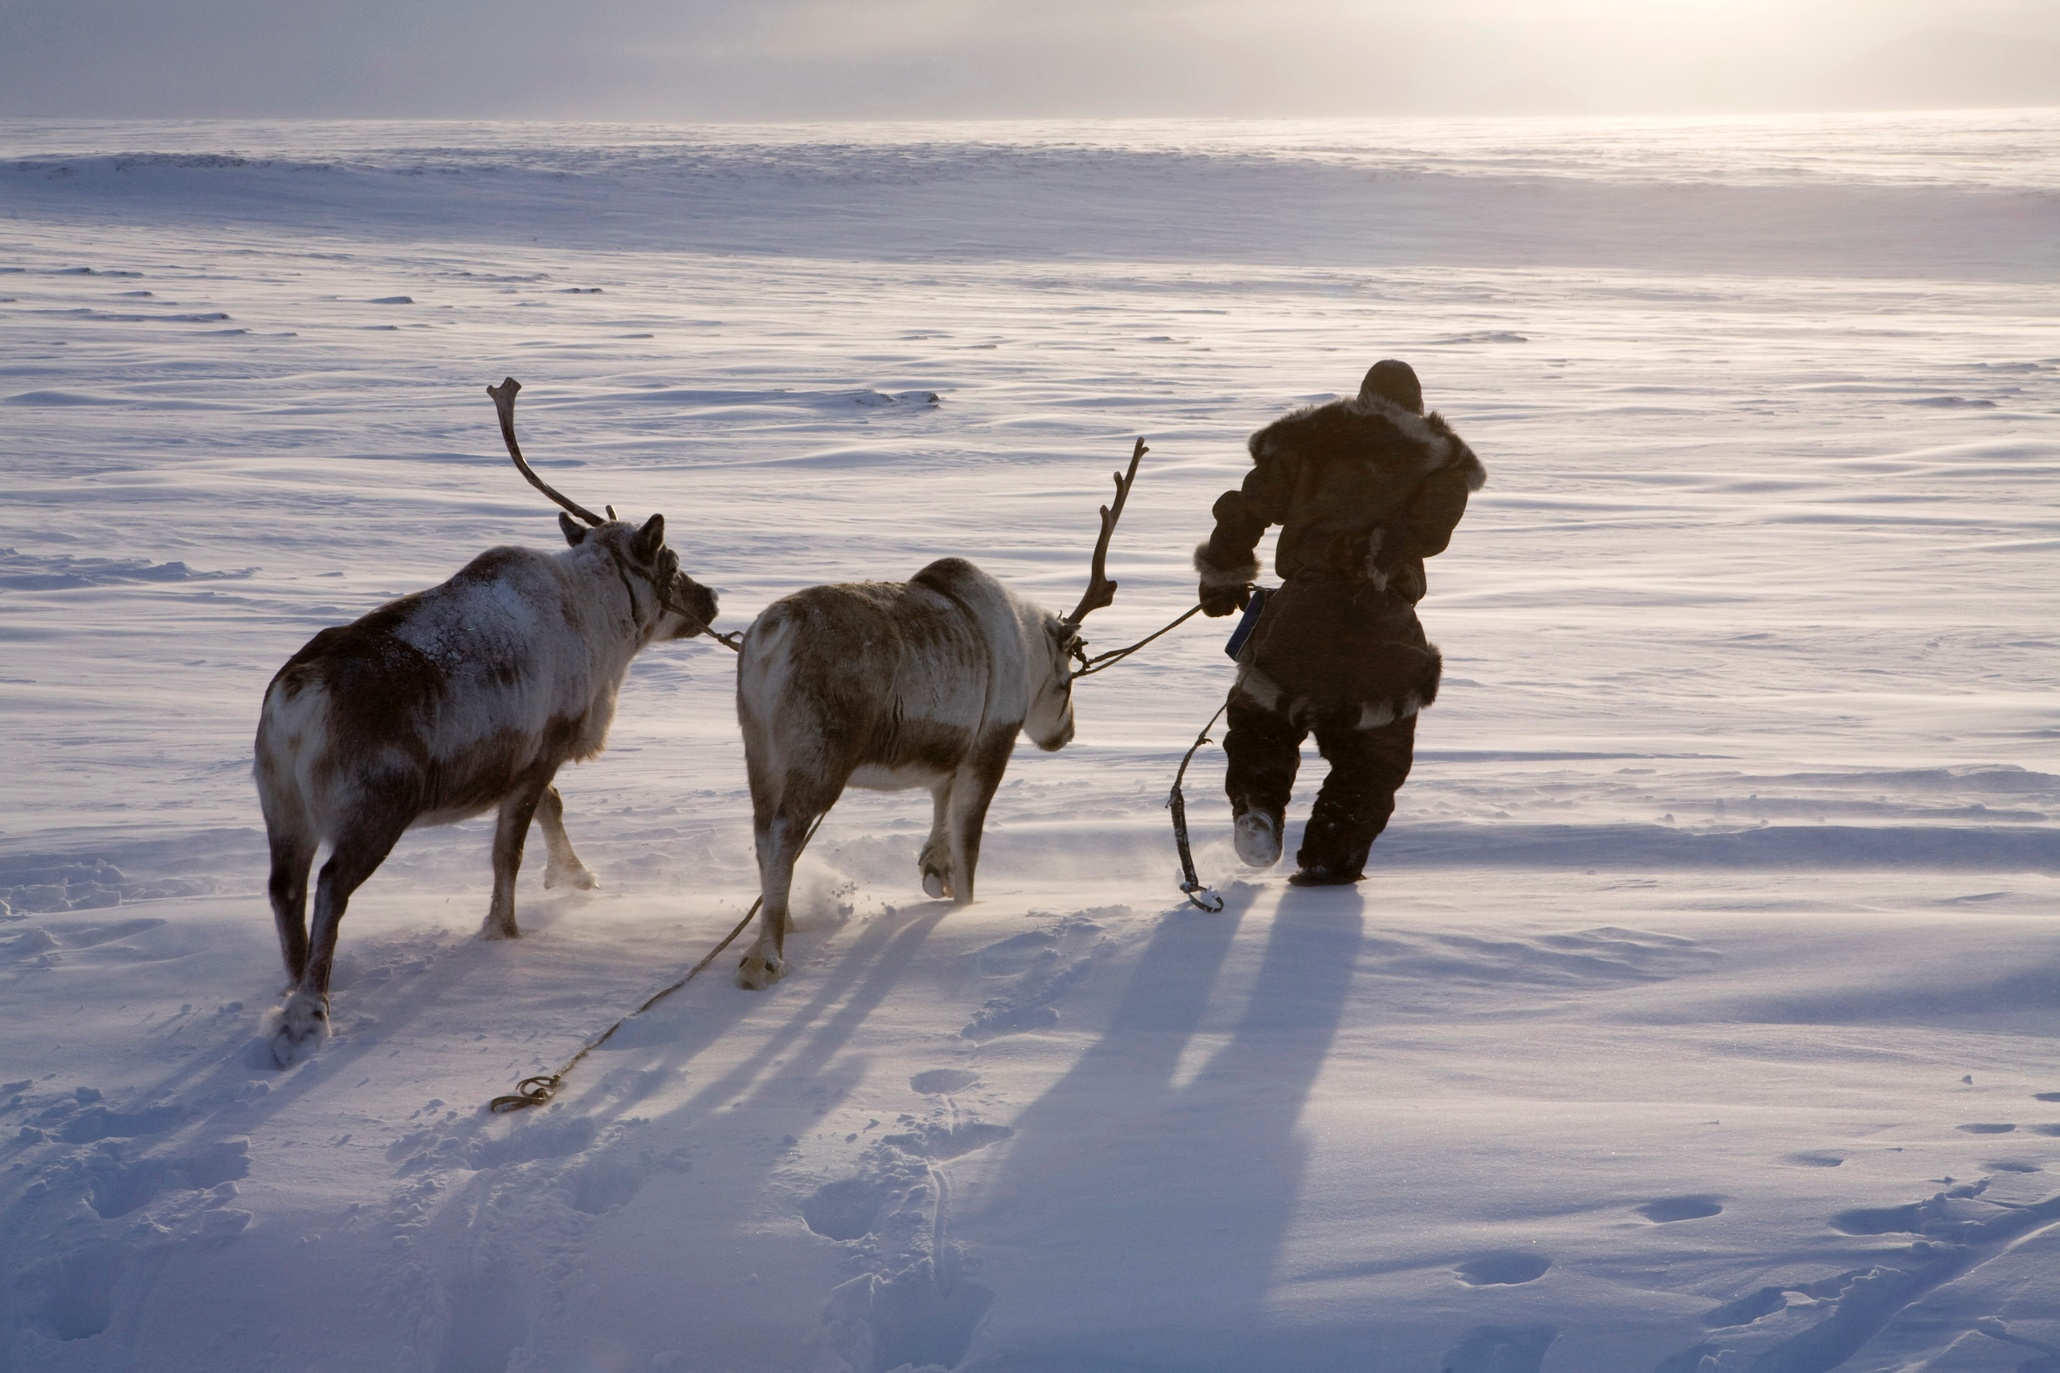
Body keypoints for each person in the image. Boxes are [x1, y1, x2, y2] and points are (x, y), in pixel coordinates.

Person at [1193, 360, 1485, 885]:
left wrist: (1224, 574)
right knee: (1375, 756)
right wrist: (1380, 548)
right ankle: (1331, 854)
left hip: (1300, 613)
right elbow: (1432, 529)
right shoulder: (1436, 458)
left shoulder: (1311, 443)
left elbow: (1246, 508)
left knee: (1264, 721)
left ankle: (1258, 806)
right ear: (1416, 409)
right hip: (1382, 624)